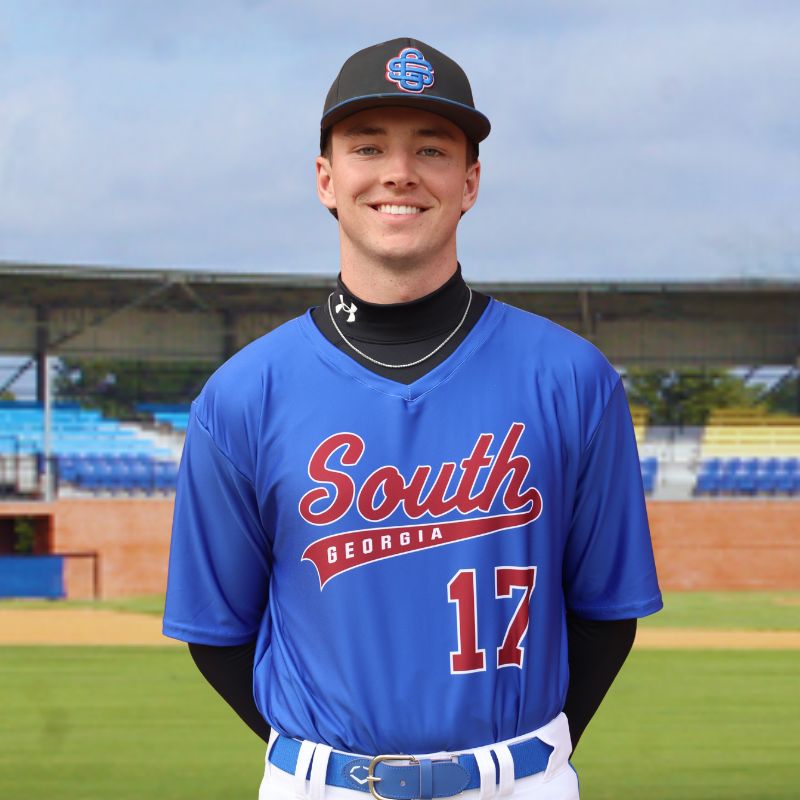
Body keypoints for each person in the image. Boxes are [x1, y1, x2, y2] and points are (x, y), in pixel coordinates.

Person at [163, 37, 662, 800]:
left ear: (470, 182)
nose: (399, 171)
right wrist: (329, 766)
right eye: (368, 147)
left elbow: (604, 615)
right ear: (327, 179)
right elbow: (218, 633)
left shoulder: (572, 378)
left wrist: (520, 763)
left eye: (431, 149)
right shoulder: (242, 396)